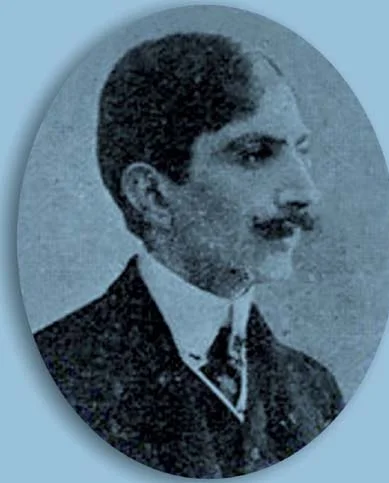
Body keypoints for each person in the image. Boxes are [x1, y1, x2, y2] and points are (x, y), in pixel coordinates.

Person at [34, 32, 344, 478]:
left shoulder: (315, 392)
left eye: (301, 151)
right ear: (153, 195)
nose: (304, 191)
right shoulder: (51, 378)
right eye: (255, 154)